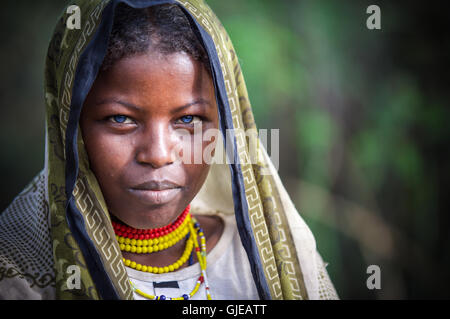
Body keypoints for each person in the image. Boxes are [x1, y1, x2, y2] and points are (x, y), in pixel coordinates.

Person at [0, 0, 338, 300]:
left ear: (223, 122)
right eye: (120, 118)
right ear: (70, 128)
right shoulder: (22, 273)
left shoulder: (268, 263)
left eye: (189, 118)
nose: (159, 154)